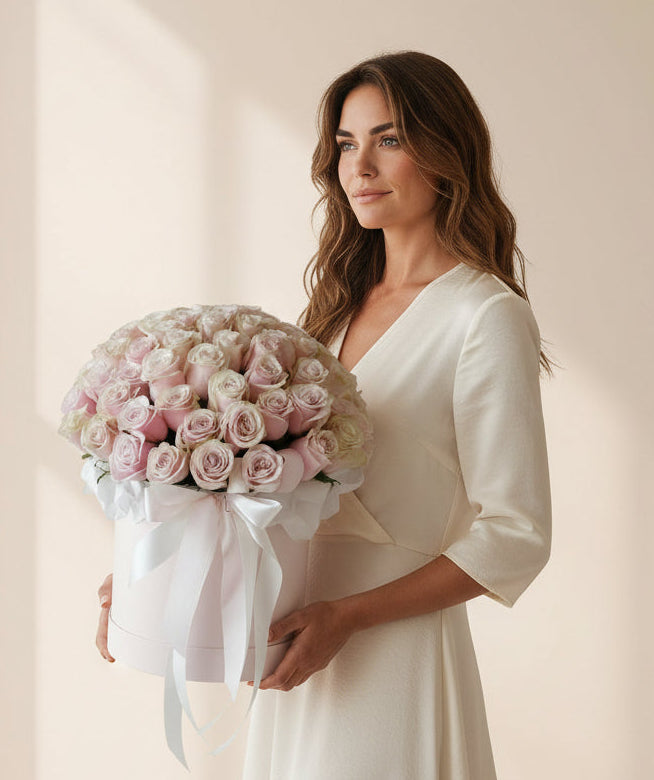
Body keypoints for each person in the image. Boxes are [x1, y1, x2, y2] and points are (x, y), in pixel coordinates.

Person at [97, 50, 553, 779]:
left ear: (446, 151)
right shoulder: (333, 315)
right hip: (296, 641)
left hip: (389, 646)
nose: (360, 166)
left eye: (390, 138)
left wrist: (350, 617)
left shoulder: (484, 315)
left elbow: (516, 534)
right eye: (346, 143)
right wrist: (157, 573)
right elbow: (268, 496)